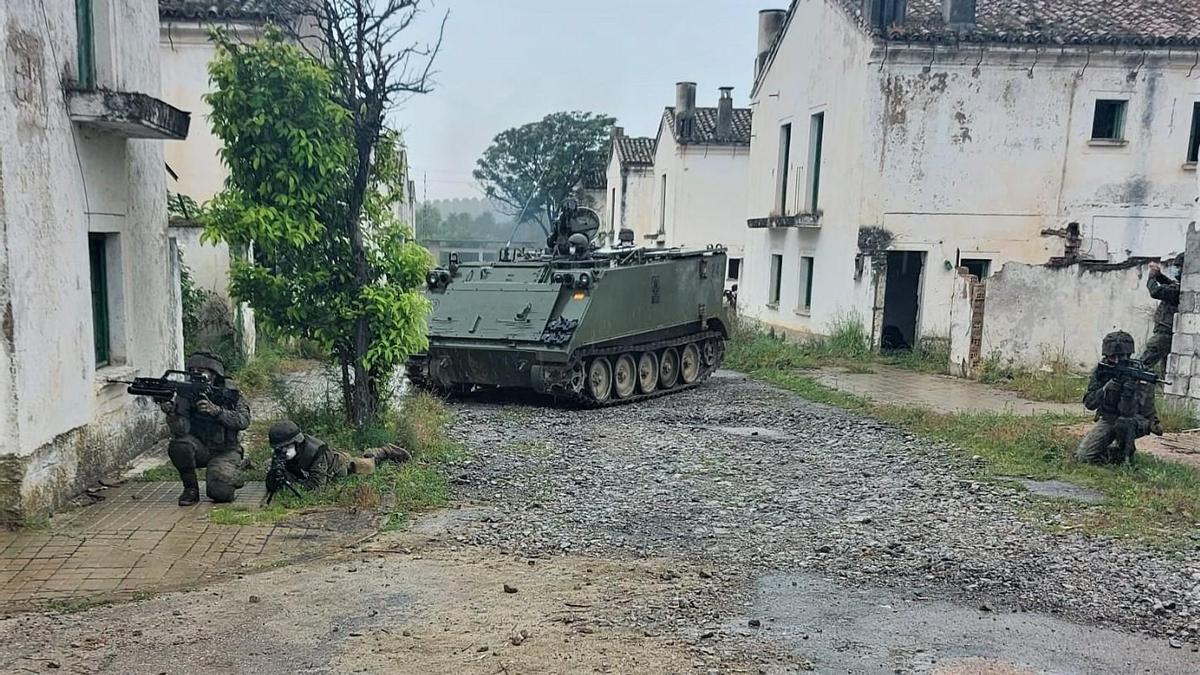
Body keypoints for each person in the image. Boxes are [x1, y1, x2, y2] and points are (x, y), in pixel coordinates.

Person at [162, 352, 251, 506]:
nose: (196, 373)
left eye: (202, 370)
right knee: (180, 446)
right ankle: (191, 489)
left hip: (226, 450)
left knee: (220, 492)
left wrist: (217, 411)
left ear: (214, 374)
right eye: (193, 370)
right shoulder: (185, 393)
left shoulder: (229, 392)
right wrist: (172, 414)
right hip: (200, 448)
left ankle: (236, 470)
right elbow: (181, 431)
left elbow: (243, 421)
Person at [1074, 331, 1163, 465]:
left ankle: (1126, 454)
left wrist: (1129, 389)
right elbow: (1089, 403)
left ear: (1128, 355)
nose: (1116, 361)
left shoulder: (1140, 374)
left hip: (1135, 419)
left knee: (1124, 423)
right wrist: (1105, 389)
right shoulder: (1102, 370)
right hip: (1109, 418)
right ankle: (1114, 455)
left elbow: (1137, 410)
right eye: (1112, 357)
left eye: (1121, 356)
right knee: (1083, 457)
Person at [266, 420, 411, 492]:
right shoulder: (282, 454)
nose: (283, 452)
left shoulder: (316, 452)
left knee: (368, 465)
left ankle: (385, 450)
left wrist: (292, 484)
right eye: (280, 449)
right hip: (313, 468)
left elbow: (317, 486)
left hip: (341, 465)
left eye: (287, 447)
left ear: (297, 443)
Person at [1139, 261, 1181, 374]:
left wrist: (1152, 277)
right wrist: (1159, 276)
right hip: (1166, 333)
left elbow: (1155, 291)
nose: (1176, 270)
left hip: (1164, 333)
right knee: (1166, 369)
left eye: (1178, 267)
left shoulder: (1178, 292)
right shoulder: (1181, 288)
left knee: (1142, 364)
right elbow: (1169, 283)